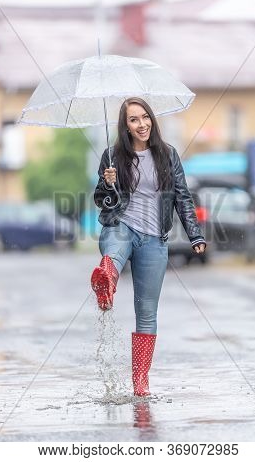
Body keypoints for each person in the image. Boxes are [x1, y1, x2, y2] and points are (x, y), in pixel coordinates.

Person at [91, 97, 206, 397]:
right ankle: (107, 280)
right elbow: (101, 202)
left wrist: (195, 235)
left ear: (151, 120)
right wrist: (108, 183)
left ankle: (140, 380)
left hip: (155, 239)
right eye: (133, 119)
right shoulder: (112, 156)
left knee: (147, 312)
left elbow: (181, 196)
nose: (141, 124)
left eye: (145, 117)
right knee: (113, 251)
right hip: (122, 226)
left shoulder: (167, 154)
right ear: (125, 125)